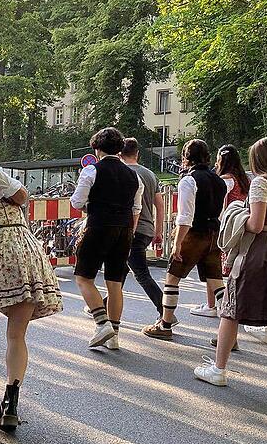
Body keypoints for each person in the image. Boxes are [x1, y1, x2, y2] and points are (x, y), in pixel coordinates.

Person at [194, 137, 267, 398]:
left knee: (231, 307)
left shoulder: (261, 182)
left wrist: (237, 213)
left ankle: (219, 369)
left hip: (260, 249)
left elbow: (256, 224)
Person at [0, 172, 63, 429]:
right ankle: (11, 403)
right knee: (16, 336)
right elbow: (22, 196)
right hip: (25, 250)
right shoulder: (4, 180)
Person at [143, 139, 227, 340]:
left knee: (172, 278)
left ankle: (165, 324)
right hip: (214, 233)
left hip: (194, 234)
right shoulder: (219, 181)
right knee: (216, 282)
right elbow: (220, 212)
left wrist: (177, 243)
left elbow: (185, 217)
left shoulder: (189, 180)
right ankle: (229, 333)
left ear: (186, 158)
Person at [71, 127, 143, 349]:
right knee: (114, 283)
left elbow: (76, 202)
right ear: (120, 149)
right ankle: (114, 336)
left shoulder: (92, 171)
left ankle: (102, 323)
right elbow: (136, 207)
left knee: (84, 278)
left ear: (96, 148)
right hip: (124, 230)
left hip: (99, 226)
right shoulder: (134, 175)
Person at [192, 144, 250, 318]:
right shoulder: (244, 179)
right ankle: (235, 303)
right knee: (237, 268)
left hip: (226, 227)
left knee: (212, 267)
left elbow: (220, 206)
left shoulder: (225, 180)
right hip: (242, 224)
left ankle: (213, 305)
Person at [115, 138, 165, 318]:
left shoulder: (121, 173)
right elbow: (160, 205)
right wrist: (158, 231)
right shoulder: (150, 175)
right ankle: (105, 304)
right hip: (147, 229)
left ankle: (165, 311)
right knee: (121, 268)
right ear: (137, 153)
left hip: (129, 230)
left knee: (141, 273)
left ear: (119, 154)